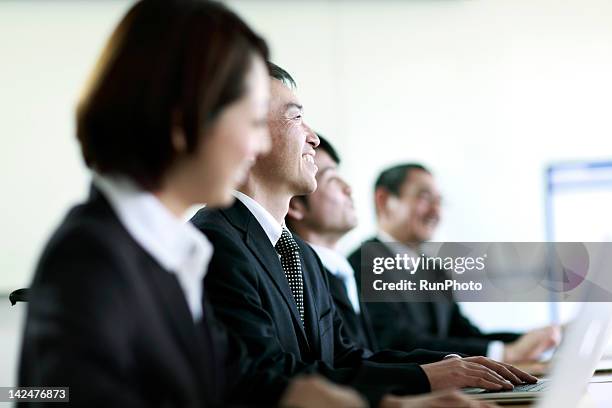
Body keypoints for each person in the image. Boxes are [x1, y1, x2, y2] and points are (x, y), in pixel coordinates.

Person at [17, 1, 368, 407]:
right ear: (186, 119)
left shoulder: (169, 251)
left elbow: (233, 380)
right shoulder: (92, 256)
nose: (256, 145)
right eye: (251, 121)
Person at [191, 62, 536, 407]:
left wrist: (445, 365)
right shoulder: (213, 242)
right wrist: (421, 379)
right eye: (296, 118)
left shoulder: (300, 253)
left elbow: (342, 358)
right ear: (248, 134)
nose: (313, 137)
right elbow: (266, 377)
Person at [348, 163, 561, 363]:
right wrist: (502, 353)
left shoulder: (433, 270)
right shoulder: (360, 267)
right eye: (425, 198)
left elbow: (464, 334)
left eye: (439, 202)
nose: (436, 212)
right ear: (384, 201)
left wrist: (531, 338)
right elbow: (396, 343)